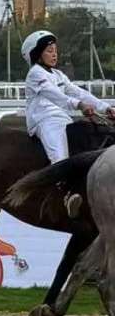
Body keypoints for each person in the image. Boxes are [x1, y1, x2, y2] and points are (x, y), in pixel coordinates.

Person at [21, 30, 115, 217]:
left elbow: (78, 92)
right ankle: (65, 195)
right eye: (49, 50)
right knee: (60, 155)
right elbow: (55, 95)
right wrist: (78, 105)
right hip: (44, 120)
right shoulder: (35, 74)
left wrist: (105, 108)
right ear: (36, 55)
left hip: (62, 118)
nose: (54, 54)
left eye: (55, 50)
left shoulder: (58, 74)